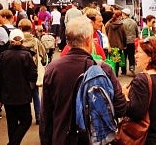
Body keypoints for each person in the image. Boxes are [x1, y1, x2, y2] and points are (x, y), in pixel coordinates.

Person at [39, 16, 127, 145]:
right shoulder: (103, 69)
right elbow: (120, 108)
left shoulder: (52, 69)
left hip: (62, 137)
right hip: (95, 139)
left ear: (68, 42)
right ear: (88, 40)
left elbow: (45, 115)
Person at [0, 29, 37, 145]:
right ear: (22, 40)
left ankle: (13, 142)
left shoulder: (3, 56)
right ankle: (13, 143)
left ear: (9, 40)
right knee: (26, 121)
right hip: (23, 95)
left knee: (11, 122)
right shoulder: (27, 55)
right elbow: (33, 76)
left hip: (7, 95)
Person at [19, 18, 46, 124]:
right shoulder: (35, 41)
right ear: (31, 28)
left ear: (20, 28)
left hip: (20, 72)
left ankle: (23, 117)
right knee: (35, 94)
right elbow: (43, 55)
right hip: (33, 71)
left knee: (22, 95)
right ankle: (38, 116)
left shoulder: (17, 41)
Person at [105, 10, 127, 76]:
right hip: (119, 45)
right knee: (116, 61)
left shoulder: (108, 24)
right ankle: (116, 73)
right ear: (119, 16)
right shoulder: (121, 25)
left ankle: (111, 73)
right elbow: (124, 36)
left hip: (110, 45)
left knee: (110, 60)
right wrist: (124, 45)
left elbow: (105, 33)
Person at [121, 8, 139, 75]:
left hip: (124, 42)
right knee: (131, 55)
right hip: (132, 41)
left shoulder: (122, 22)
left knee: (124, 56)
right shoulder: (134, 22)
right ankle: (132, 66)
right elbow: (137, 32)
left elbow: (121, 33)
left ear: (124, 14)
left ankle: (123, 71)